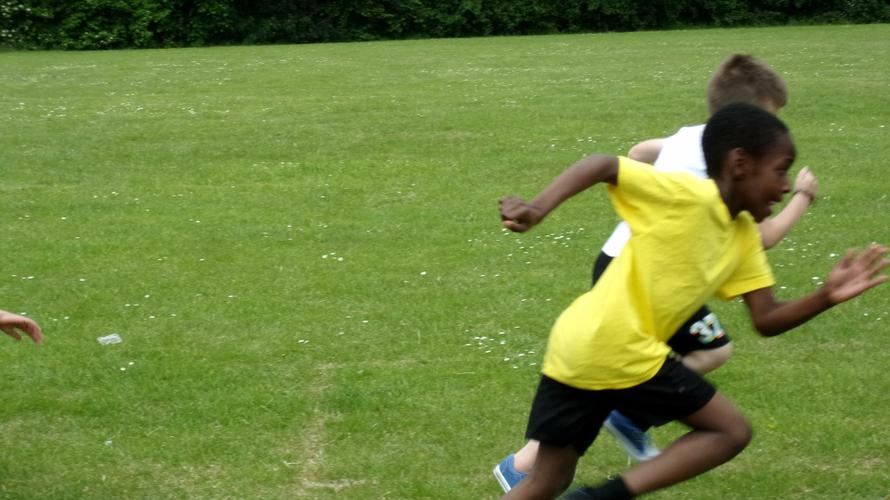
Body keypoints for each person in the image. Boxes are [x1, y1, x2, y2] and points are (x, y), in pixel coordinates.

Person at [496, 103, 887, 499]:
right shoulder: (683, 195)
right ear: (740, 164)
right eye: (780, 170)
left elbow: (766, 318)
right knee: (730, 431)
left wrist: (825, 296)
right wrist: (537, 209)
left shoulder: (743, 236)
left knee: (548, 480)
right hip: (619, 348)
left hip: (576, 345)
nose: (786, 186)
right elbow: (604, 164)